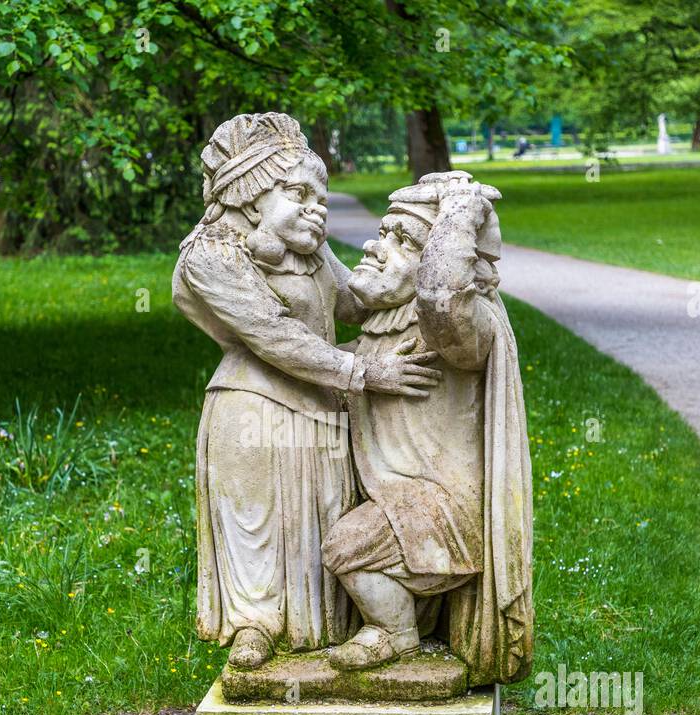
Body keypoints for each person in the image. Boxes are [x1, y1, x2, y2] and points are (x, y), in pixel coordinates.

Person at [173, 113, 441, 669]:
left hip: (321, 408)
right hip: (251, 410)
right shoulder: (210, 254)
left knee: (320, 520)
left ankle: (328, 627)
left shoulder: (309, 249)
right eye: (299, 193)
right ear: (251, 195)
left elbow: (354, 301)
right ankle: (255, 624)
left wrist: (420, 262)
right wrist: (365, 373)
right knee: (258, 522)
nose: (316, 208)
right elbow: (273, 335)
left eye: (321, 197)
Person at [321, 171, 534, 685]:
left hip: (445, 511)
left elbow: (442, 297)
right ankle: (400, 618)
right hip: (401, 501)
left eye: (403, 240)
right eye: (383, 231)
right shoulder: (385, 325)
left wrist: (460, 211)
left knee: (345, 546)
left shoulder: (459, 326)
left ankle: (395, 632)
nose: (375, 244)